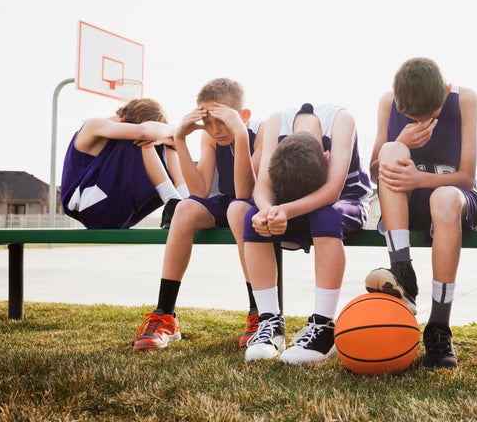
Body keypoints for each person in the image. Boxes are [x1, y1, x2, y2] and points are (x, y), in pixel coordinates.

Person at [365, 57, 477, 369]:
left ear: (444, 93)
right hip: (407, 205)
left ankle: (439, 327)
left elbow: (468, 177)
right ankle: (402, 270)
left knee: (444, 198)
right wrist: (400, 141)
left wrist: (423, 179)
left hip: (452, 201)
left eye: (429, 116)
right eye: (409, 117)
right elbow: (375, 172)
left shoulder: (465, 100)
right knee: (390, 152)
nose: (419, 121)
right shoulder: (387, 102)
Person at [132, 78, 264, 350]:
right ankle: (165, 315)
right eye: (209, 122)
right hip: (230, 202)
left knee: (239, 209)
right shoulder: (210, 137)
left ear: (244, 116)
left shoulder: (260, 133)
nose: (215, 130)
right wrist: (179, 139)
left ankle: (259, 314)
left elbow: (245, 191)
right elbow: (199, 191)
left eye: (222, 120)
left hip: (259, 205)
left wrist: (240, 134)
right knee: (184, 208)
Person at [243, 103, 372, 365]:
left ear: (326, 157)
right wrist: (269, 212)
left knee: (326, 215)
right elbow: (261, 188)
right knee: (251, 218)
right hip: (289, 197)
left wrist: (285, 211)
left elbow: (332, 190)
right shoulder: (276, 120)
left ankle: (323, 326)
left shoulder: (341, 121)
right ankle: (270, 322)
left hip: (346, 198)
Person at [60, 97, 188, 229]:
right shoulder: (94, 125)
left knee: (166, 144)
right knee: (142, 139)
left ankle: (187, 201)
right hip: (87, 206)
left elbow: (163, 137)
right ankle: (172, 200)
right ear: (123, 120)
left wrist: (166, 139)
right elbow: (143, 132)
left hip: (122, 214)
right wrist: (172, 131)